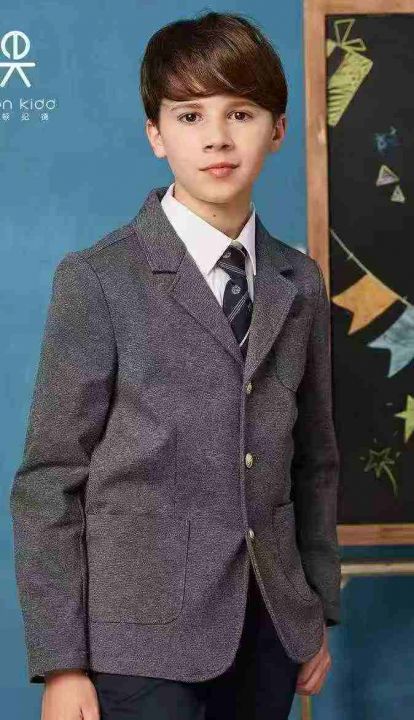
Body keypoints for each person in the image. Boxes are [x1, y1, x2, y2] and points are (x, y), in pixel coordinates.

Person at [9, 10, 341, 720]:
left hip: (270, 631)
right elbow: (49, 481)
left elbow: (314, 460)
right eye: (190, 116)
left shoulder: (300, 282)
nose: (217, 137)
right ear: (156, 135)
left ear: (278, 129)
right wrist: (62, 663)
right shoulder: (99, 279)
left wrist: (315, 607)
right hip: (137, 644)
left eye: (240, 113)